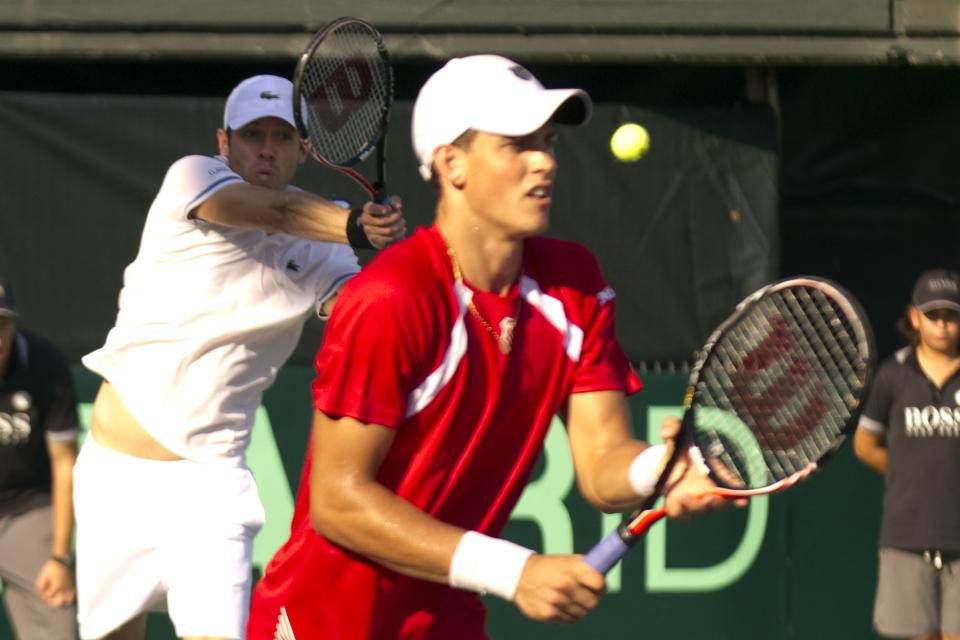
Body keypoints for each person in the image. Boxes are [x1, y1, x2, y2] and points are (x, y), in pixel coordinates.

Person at [247, 54, 724, 640]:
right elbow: (339, 501)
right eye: (516, 145)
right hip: (324, 621)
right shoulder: (390, 297)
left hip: (445, 620)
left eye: (546, 142)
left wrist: (663, 468)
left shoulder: (574, 285)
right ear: (452, 163)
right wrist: (513, 569)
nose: (543, 161)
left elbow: (603, 467)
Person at [73, 74, 406, 640]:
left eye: (282, 136)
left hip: (211, 486)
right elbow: (274, 212)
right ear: (224, 144)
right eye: (253, 135)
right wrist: (355, 226)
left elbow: (362, 311)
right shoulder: (192, 177)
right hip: (114, 476)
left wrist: (412, 271)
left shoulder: (328, 242)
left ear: (305, 149)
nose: (267, 149)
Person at [854, 268, 960, 640]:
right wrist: (908, 472)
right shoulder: (891, 376)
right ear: (914, 317)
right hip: (907, 535)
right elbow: (864, 446)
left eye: (951, 316)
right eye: (933, 316)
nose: (943, 326)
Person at [0, 278, 79, 639]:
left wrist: (60, 557)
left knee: (58, 622)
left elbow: (64, 462)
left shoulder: (43, 364)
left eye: (0, 325)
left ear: (13, 323)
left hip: (28, 509)